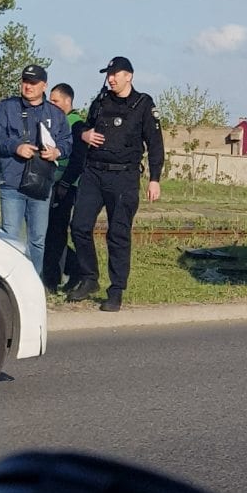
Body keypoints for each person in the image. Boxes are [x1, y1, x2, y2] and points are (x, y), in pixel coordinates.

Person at [66, 56, 164, 312]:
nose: (110, 78)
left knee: (117, 234)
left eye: (115, 74)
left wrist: (155, 179)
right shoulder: (100, 101)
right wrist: (84, 134)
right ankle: (89, 278)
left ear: (128, 76)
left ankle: (116, 289)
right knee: (79, 226)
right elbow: (83, 128)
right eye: (108, 74)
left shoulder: (143, 104)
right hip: (94, 173)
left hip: (124, 177)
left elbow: (155, 145)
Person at [0, 65, 71, 279]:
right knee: (10, 237)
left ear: (44, 85)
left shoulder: (56, 114)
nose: (28, 86)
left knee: (37, 239)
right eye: (25, 81)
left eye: (33, 83)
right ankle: (9, 283)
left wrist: (56, 152)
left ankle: (34, 284)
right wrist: (15, 147)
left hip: (41, 184)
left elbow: (67, 143)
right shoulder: (6, 108)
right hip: (12, 183)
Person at [42, 83, 86, 291]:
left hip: (66, 186)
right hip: (52, 182)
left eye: (55, 101)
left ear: (68, 101)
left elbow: (78, 160)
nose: (51, 104)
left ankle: (60, 276)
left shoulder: (76, 124)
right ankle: (64, 271)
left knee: (57, 232)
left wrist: (65, 184)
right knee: (49, 231)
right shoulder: (58, 121)